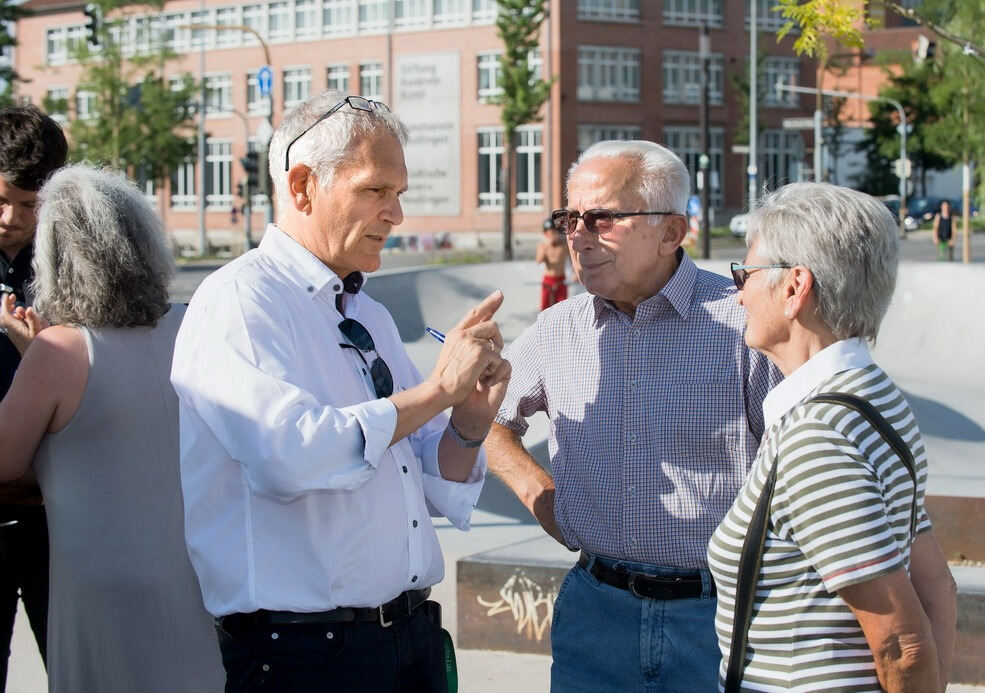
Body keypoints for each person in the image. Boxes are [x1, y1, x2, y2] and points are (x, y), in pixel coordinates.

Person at [171, 90, 510, 692]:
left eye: (399, 194)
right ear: (302, 186)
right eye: (376, 191)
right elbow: (291, 456)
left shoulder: (368, 313)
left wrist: (468, 420)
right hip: (307, 654)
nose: (396, 215)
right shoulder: (242, 302)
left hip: (407, 637)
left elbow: (428, 475)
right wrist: (436, 390)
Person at [486, 140, 779, 693]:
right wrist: (546, 501)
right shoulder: (559, 328)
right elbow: (490, 420)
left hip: (716, 617)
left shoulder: (744, 324)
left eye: (601, 218)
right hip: (596, 614)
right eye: (570, 217)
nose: (577, 235)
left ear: (672, 232)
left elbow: (796, 459)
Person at [707, 182, 957, 692]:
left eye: (745, 273)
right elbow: (938, 588)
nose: (737, 293)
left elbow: (902, 646)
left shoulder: (816, 437)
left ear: (795, 288)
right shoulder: (873, 397)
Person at [0, 164, 225, 691]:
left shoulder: (59, 351)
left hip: (100, 586)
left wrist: (27, 353)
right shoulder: (192, 324)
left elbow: (6, 460)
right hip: (193, 574)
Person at [0, 104, 66, 686]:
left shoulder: (76, 270)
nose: (9, 219)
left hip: (59, 516)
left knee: (74, 670)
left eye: (28, 205)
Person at [536, 219, 569, 310]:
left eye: (555, 232)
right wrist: (548, 246)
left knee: (562, 308)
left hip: (561, 280)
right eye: (550, 233)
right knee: (545, 308)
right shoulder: (542, 246)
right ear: (545, 234)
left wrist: (576, 274)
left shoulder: (563, 246)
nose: (553, 235)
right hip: (548, 280)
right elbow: (539, 261)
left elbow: (573, 260)